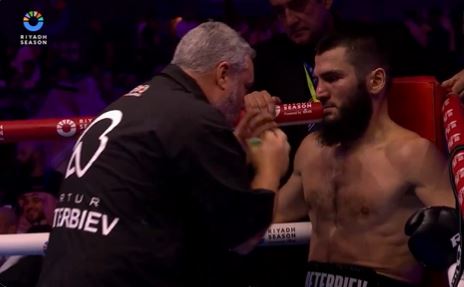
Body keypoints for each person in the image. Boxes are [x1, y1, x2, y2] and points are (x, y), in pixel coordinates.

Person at [37, 21, 290, 287]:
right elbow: (243, 237)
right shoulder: (194, 118)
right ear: (223, 74)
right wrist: (270, 166)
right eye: (245, 86)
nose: (243, 101)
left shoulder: (132, 104)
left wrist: (232, 148)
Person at [267, 28, 456, 286]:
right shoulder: (312, 150)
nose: (320, 91)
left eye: (332, 78)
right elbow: (266, 218)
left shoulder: (413, 155)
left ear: (375, 81)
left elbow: (458, 236)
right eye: (317, 79)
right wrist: (257, 154)